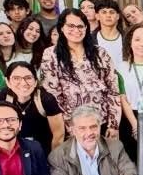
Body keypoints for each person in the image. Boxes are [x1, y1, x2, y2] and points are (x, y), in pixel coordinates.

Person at [39, 8, 122, 138]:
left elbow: (113, 89)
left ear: (86, 28)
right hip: (72, 126)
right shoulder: (51, 54)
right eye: (71, 26)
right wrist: (69, 127)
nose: (76, 30)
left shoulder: (100, 53)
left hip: (101, 122)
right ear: (61, 27)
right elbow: (54, 95)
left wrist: (114, 124)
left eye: (80, 26)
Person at [0, 61, 64, 151]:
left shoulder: (46, 99)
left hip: (42, 150)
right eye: (16, 78)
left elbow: (58, 134)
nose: (23, 83)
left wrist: (53, 161)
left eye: (28, 78)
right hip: (12, 150)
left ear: (35, 82)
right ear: (8, 82)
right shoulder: (0, 98)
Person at [92, 0, 127, 73]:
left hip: (126, 80)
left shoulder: (128, 38)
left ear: (118, 16)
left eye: (112, 12)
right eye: (104, 12)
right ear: (97, 16)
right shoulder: (90, 40)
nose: (108, 15)